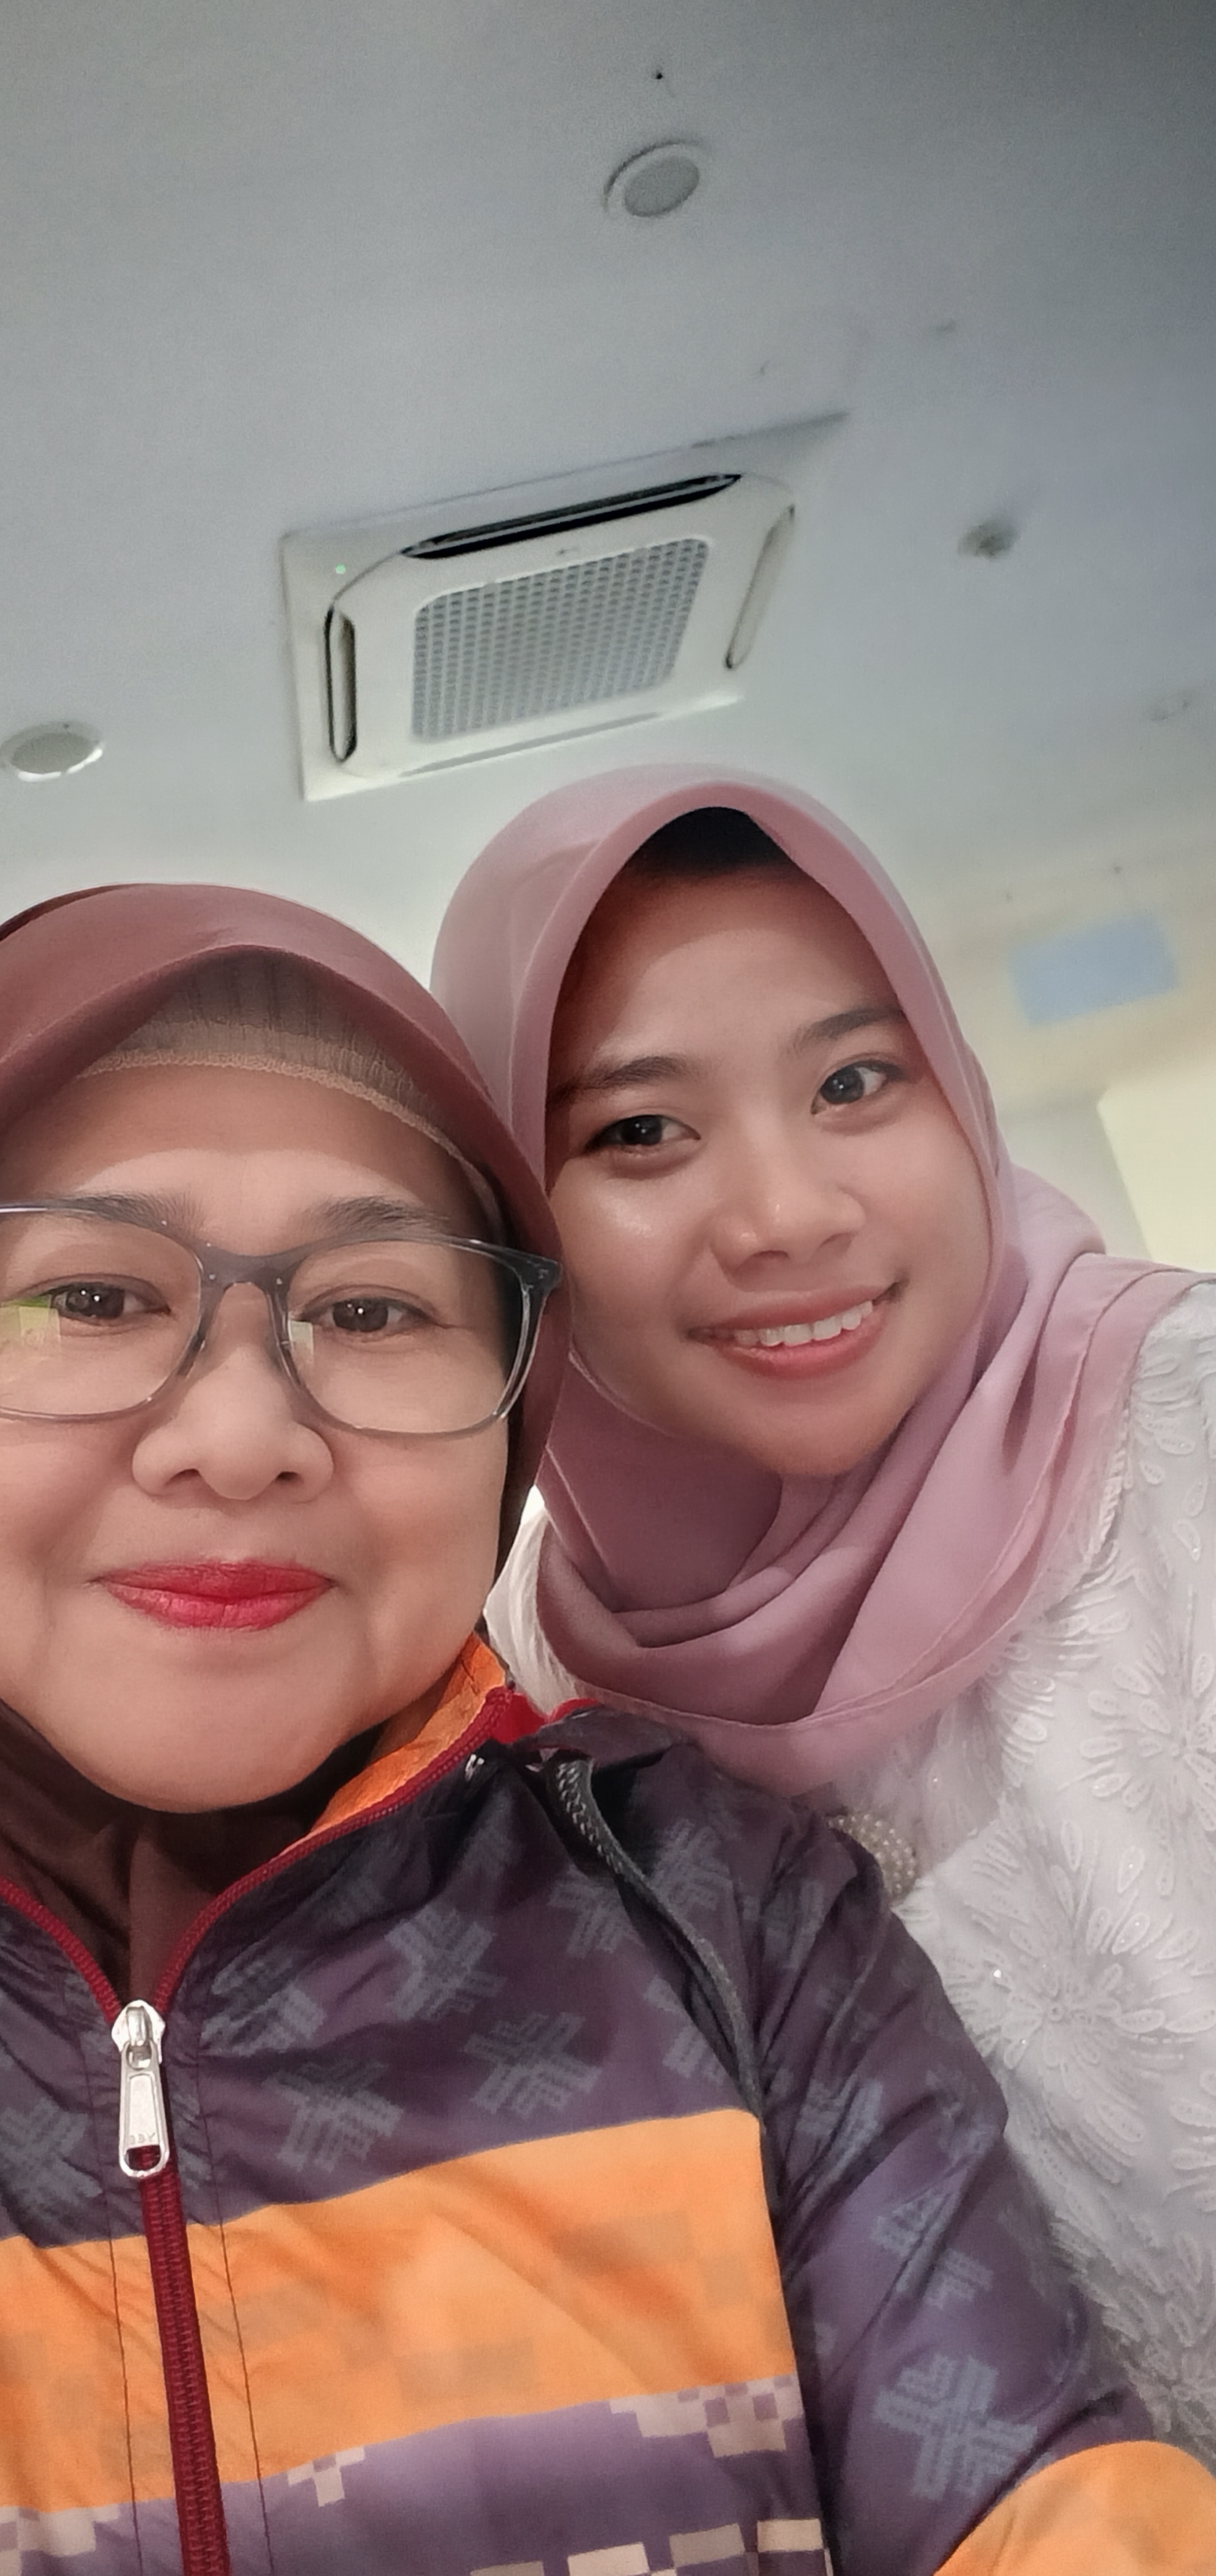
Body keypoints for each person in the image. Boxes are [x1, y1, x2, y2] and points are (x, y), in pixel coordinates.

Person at [0, 881, 1213, 2576]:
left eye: (373, 1309)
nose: (240, 1436)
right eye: (94, 1297)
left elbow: (1036, 2502)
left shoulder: (718, 1910)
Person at [432, 766, 1216, 2468]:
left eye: (854, 1081)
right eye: (639, 1132)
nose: (786, 1215)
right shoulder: (522, 1705)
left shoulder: (1186, 1439)